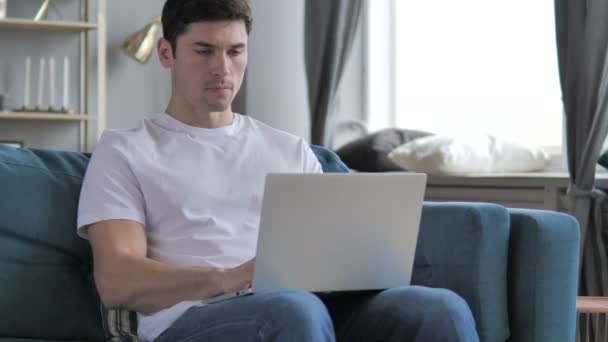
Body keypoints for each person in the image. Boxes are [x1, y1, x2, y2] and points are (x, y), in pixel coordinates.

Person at [77, 0, 480, 341]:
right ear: (167, 53)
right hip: (192, 318)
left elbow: (327, 254)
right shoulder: (125, 150)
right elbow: (117, 280)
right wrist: (228, 279)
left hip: (304, 306)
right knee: (295, 310)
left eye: (235, 51)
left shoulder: (288, 149)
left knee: (438, 308)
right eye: (204, 51)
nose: (222, 68)